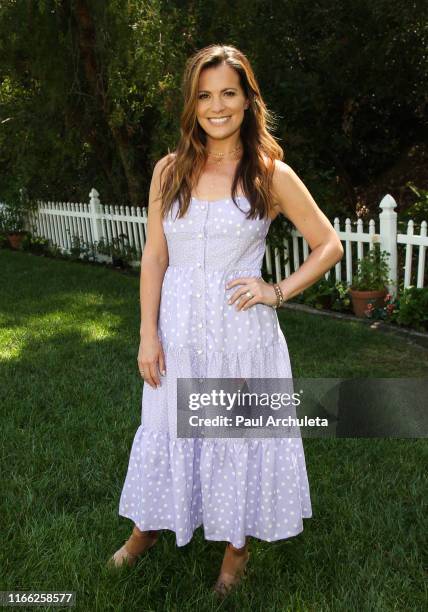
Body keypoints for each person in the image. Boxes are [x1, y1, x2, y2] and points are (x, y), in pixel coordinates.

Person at [108, 44, 344, 598]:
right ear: (192, 104)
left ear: (247, 100)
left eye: (228, 93)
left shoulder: (270, 173)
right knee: (168, 427)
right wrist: (147, 332)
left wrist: (276, 290)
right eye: (204, 95)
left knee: (236, 438)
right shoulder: (169, 170)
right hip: (179, 333)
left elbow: (329, 245)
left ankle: (235, 553)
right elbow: (156, 258)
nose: (217, 106)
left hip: (242, 337)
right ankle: (145, 529)